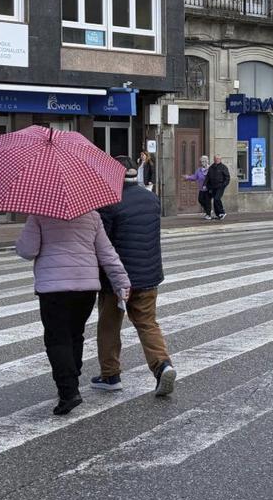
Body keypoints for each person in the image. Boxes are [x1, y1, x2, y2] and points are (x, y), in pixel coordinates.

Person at [15, 211, 130, 415]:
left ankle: (69, 392)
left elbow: (27, 251)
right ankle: (72, 379)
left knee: (57, 339)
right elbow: (107, 253)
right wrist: (122, 282)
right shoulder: (92, 216)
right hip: (86, 288)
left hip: (53, 289)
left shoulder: (39, 215)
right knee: (75, 334)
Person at [92, 159, 175, 397]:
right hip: (148, 275)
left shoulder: (108, 201)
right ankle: (162, 365)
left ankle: (110, 375)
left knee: (109, 325)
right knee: (148, 323)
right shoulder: (151, 198)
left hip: (116, 280)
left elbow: (103, 243)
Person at [205, 155, 230, 220]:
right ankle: (218, 214)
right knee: (214, 200)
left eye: (218, 159)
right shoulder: (211, 167)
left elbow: (227, 177)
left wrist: (224, 185)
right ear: (214, 159)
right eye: (215, 158)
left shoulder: (223, 167)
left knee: (217, 198)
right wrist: (207, 185)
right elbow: (207, 177)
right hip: (213, 187)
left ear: (220, 159)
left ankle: (222, 212)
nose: (217, 160)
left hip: (220, 186)